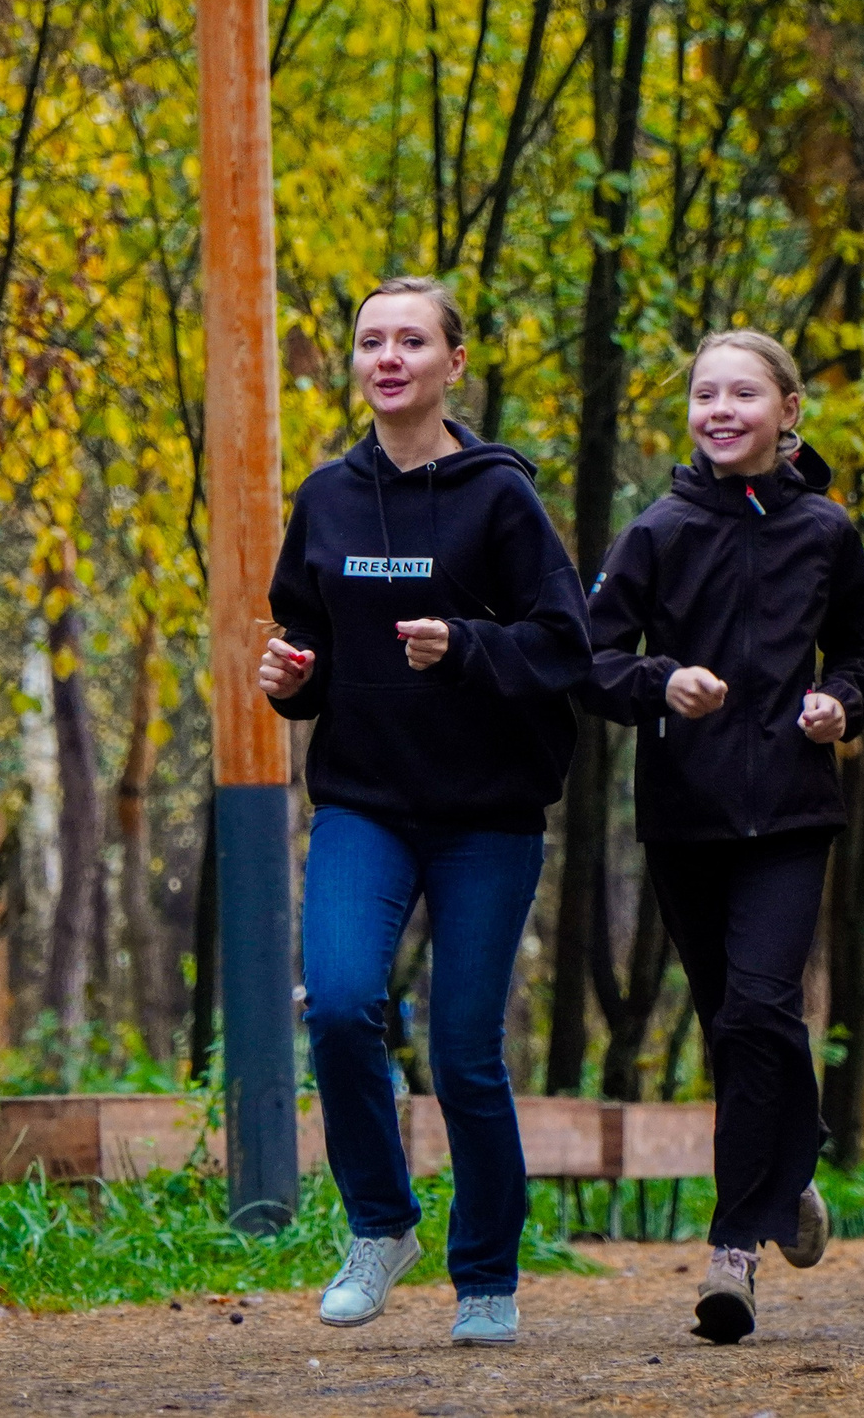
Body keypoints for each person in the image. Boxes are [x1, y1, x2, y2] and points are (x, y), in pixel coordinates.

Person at [257, 278, 590, 1348]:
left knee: (461, 1052)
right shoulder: (327, 498)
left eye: (411, 340)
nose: (387, 357)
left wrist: (467, 646)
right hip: (366, 799)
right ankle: (380, 1226)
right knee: (343, 1005)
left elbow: (565, 646)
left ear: (452, 363)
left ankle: (486, 1273)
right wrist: (289, 677)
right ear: (354, 364)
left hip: (487, 812)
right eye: (370, 341)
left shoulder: (500, 499)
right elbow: (306, 646)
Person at [577, 328, 864, 1345]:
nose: (719, 410)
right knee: (738, 1024)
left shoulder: (825, 532)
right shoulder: (657, 530)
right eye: (705, 394)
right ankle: (787, 1172)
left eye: (742, 394)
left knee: (761, 1006)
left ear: (786, 412)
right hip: (687, 816)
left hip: (792, 813)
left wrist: (840, 701)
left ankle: (732, 1252)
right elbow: (588, 658)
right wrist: (660, 682)